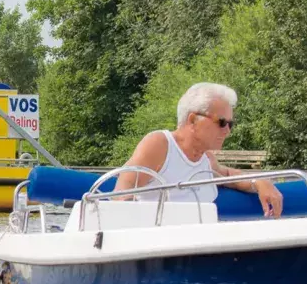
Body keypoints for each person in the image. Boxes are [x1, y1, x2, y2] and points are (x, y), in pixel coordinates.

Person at [112, 82, 284, 218]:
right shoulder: (160, 145)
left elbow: (229, 176)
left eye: (231, 124)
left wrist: (260, 182)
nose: (228, 130)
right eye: (222, 122)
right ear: (193, 120)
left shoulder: (206, 159)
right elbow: (122, 195)